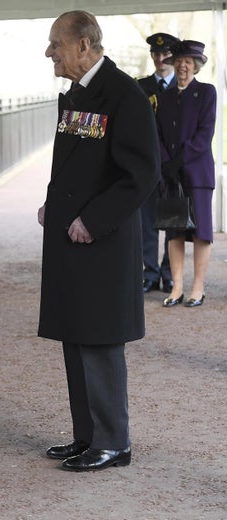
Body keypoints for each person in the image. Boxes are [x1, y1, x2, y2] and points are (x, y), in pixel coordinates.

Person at [38, 11, 159, 471]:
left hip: (102, 241)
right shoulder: (77, 93)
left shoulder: (124, 94)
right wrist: (56, 204)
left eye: (56, 44)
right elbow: (76, 164)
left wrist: (91, 219)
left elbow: (141, 174)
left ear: (84, 44)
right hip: (70, 236)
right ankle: (87, 436)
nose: (50, 52)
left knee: (100, 341)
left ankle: (113, 441)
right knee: (75, 335)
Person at [156, 40, 216, 308]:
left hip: (198, 172)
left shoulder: (206, 92)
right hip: (171, 174)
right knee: (174, 231)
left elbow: (205, 133)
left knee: (201, 232)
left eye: (188, 61)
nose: (182, 65)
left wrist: (180, 160)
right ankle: (177, 288)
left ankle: (197, 288)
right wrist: (166, 164)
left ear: (196, 66)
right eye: (179, 60)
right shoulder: (164, 97)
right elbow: (156, 134)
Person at [137, 32, 179, 294]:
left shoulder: (184, 86)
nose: (160, 59)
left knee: (173, 223)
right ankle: (150, 274)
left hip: (174, 167)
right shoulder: (140, 87)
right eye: (156, 54)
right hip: (148, 165)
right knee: (147, 223)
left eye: (165, 55)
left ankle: (169, 274)